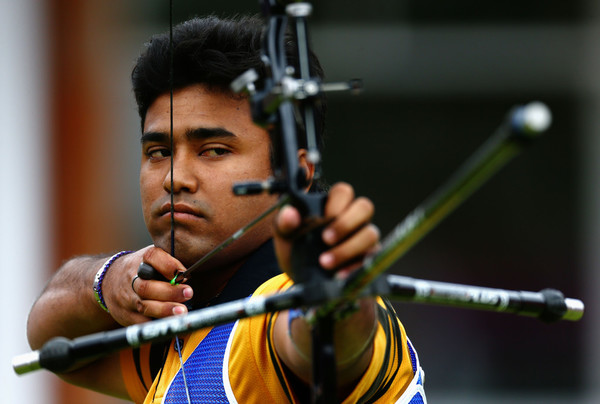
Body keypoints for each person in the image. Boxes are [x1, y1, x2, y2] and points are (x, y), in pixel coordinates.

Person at [26, 15, 426, 403]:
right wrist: (108, 280)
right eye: (159, 151)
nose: (174, 177)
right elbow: (49, 336)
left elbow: (327, 342)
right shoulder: (184, 323)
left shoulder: (274, 317)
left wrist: (336, 294)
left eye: (214, 150)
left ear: (297, 175)